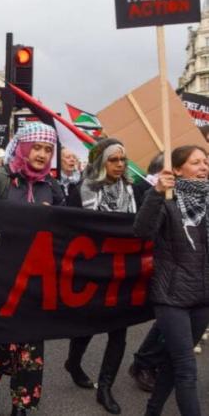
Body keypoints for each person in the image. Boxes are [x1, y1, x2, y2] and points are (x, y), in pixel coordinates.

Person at [0, 122, 62, 416]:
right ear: (24, 147)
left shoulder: (53, 187)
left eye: (48, 149)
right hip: (2, 277)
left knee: (31, 351)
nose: (41, 154)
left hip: (37, 281)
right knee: (5, 345)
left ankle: (21, 405)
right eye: (37, 147)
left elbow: (68, 230)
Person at [135, 145, 209, 416]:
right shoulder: (167, 200)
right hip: (172, 297)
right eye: (196, 162)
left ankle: (152, 411)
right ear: (177, 170)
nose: (204, 167)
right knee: (187, 369)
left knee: (171, 361)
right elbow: (141, 232)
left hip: (203, 298)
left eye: (206, 162)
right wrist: (155, 194)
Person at [64, 138, 136, 414]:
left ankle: (105, 387)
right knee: (88, 324)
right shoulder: (81, 190)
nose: (119, 165)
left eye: (123, 160)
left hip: (121, 270)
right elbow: (68, 226)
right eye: (113, 160)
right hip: (92, 269)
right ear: (101, 162)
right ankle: (73, 361)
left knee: (119, 330)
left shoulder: (130, 190)